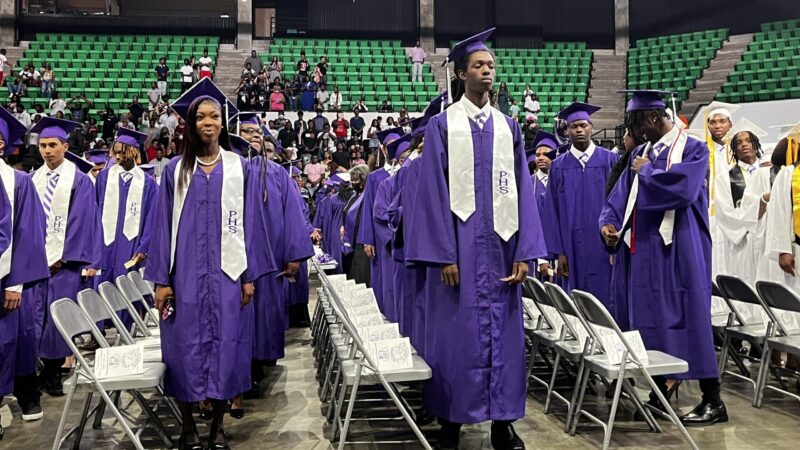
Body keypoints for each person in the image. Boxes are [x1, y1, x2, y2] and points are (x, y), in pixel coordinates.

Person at [405, 28, 544, 450]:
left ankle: (503, 422)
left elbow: (522, 188)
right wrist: (444, 253)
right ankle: (451, 420)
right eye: (479, 65)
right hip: (460, 253)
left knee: (505, 337)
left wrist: (526, 251)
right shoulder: (442, 125)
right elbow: (431, 193)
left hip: (502, 253)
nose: (487, 71)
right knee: (455, 338)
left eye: (491, 66)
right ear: (462, 73)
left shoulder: (509, 127)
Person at [146, 79, 275, 449]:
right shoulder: (174, 171)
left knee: (225, 347)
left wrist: (248, 276)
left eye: (214, 116)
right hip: (183, 277)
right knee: (184, 350)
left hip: (227, 276)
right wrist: (161, 280)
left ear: (223, 122)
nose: (208, 122)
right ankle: (187, 424)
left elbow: (250, 224)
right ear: (190, 123)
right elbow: (160, 226)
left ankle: (218, 424)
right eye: (201, 116)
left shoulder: (239, 167)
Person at [600, 89, 725, 426]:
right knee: (651, 318)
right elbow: (619, 197)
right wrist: (608, 224)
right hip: (644, 249)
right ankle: (662, 390)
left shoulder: (693, 149)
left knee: (689, 316)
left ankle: (713, 399)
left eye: (639, 123)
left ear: (654, 118)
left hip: (681, 247)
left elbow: (683, 191)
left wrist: (648, 172)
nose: (636, 131)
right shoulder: (642, 151)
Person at [29, 117, 100, 397]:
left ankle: (54, 371)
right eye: (43, 145)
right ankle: (37, 369)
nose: (47, 151)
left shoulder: (79, 181)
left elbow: (82, 222)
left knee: (57, 319)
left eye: (52, 145)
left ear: (65, 146)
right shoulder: (33, 179)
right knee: (36, 318)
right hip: (34, 265)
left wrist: (62, 258)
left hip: (63, 265)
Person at [541, 102, 618, 309]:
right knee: (575, 304)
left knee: (608, 299)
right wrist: (558, 253)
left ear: (591, 127)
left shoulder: (610, 160)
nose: (579, 130)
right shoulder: (558, 166)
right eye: (574, 126)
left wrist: (617, 246)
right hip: (571, 247)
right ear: (567, 131)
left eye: (583, 125)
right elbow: (552, 211)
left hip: (604, 246)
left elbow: (618, 203)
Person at [0, 108, 49, 430]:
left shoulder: (18, 182)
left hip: (6, 280)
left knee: (11, 342)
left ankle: (17, 394)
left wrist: (15, 283)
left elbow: (29, 235)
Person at [95, 127, 157, 292]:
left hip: (131, 245)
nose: (117, 157)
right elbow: (94, 212)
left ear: (133, 152)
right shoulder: (104, 177)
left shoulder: (148, 184)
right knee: (102, 288)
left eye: (122, 153)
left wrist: (144, 246)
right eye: (115, 153)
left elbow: (152, 219)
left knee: (127, 289)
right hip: (104, 243)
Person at [714, 119, 772, 285]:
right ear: (733, 149)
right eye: (738, 143)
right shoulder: (725, 178)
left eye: (748, 141)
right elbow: (724, 212)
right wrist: (750, 222)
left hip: (768, 237)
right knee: (747, 283)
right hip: (745, 240)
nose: (744, 145)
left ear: (756, 144)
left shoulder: (770, 172)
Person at [357, 127, 400, 307]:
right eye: (389, 146)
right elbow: (367, 208)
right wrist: (368, 239)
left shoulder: (408, 172)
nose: (393, 149)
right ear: (383, 149)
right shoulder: (375, 177)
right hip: (380, 237)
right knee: (383, 276)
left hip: (401, 235)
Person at [342, 166, 371, 282]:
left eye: (355, 180)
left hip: (361, 241)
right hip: (351, 241)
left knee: (360, 275)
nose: (352, 183)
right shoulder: (355, 195)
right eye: (352, 180)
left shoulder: (368, 196)